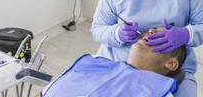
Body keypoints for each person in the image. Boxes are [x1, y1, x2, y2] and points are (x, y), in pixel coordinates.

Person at [40, 27, 187, 97]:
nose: (151, 31)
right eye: (152, 30)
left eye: (161, 37)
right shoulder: (94, 63)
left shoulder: (159, 91)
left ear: (171, 64)